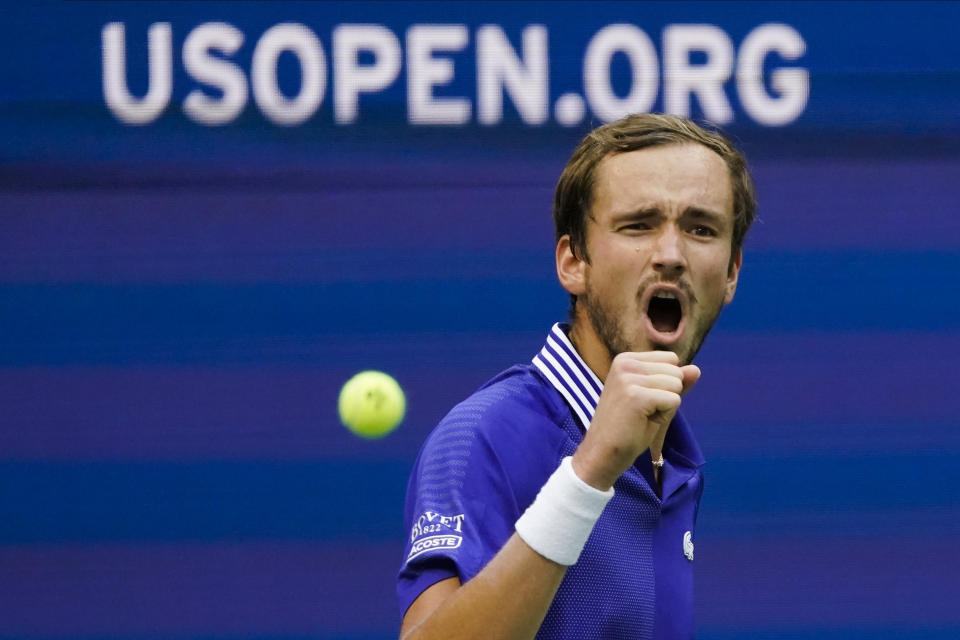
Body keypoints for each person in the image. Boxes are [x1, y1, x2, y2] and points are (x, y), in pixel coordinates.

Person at [396, 113, 756, 640]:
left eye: (701, 230)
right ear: (573, 262)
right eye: (638, 225)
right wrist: (589, 473)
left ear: (730, 274)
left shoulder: (673, 461)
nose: (672, 256)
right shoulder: (484, 434)